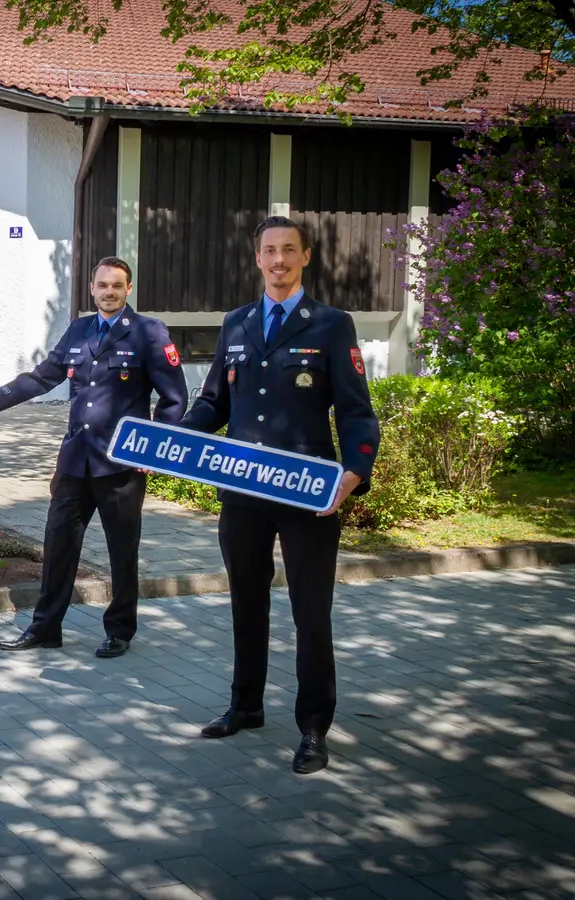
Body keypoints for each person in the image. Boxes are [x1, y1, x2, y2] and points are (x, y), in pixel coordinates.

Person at [178, 215, 380, 775]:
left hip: (306, 494)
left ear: (306, 257)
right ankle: (246, 706)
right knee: (247, 601)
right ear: (258, 258)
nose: (278, 261)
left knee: (311, 611)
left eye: (289, 250)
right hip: (242, 492)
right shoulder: (236, 323)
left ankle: (314, 728)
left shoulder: (332, 325)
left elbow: (357, 412)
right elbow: (213, 402)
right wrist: (172, 437)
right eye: (269, 251)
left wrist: (354, 472)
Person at [0, 257, 187, 659]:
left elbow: (174, 398)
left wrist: (153, 448)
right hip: (74, 462)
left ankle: (119, 630)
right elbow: (42, 376)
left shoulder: (148, 332)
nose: (109, 292)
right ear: (92, 288)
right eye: (102, 285)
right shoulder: (79, 329)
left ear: (128, 289)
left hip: (121, 465)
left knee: (122, 551)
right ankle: (46, 627)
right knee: (58, 546)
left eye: (117, 285)